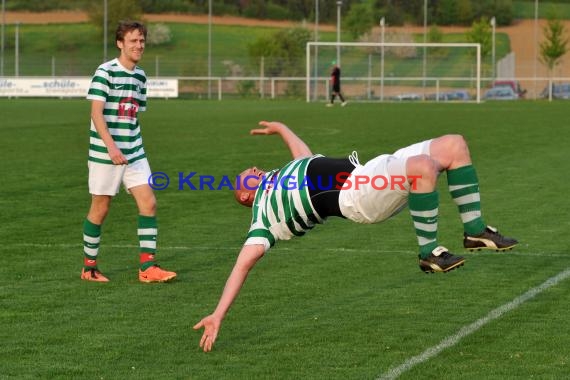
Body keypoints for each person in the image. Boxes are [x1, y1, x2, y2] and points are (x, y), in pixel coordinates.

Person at [193, 121, 518, 352]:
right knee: (422, 165)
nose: (251, 170)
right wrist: (218, 314)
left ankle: (475, 231)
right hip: (357, 197)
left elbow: (302, 154)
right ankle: (428, 252)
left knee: (454, 145)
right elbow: (243, 263)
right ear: (245, 197)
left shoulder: (284, 174)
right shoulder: (263, 216)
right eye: (245, 178)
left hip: (366, 173)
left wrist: (280, 128)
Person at [80, 21, 176, 283]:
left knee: (149, 203)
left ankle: (148, 268)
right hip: (105, 153)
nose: (139, 45)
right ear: (120, 43)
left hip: (134, 152)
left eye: (142, 40)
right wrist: (111, 147)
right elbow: (96, 113)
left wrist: (131, 147)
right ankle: (89, 268)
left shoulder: (140, 76)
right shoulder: (105, 72)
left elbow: (133, 117)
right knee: (100, 208)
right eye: (133, 41)